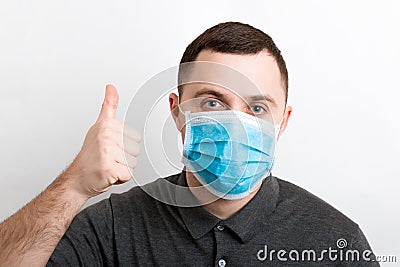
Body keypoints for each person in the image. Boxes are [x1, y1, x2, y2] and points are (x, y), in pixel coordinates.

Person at [0, 22, 379, 267]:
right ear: (177, 112)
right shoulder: (112, 228)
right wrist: (73, 187)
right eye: (213, 102)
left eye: (257, 107)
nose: (236, 122)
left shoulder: (336, 241)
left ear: (282, 123)